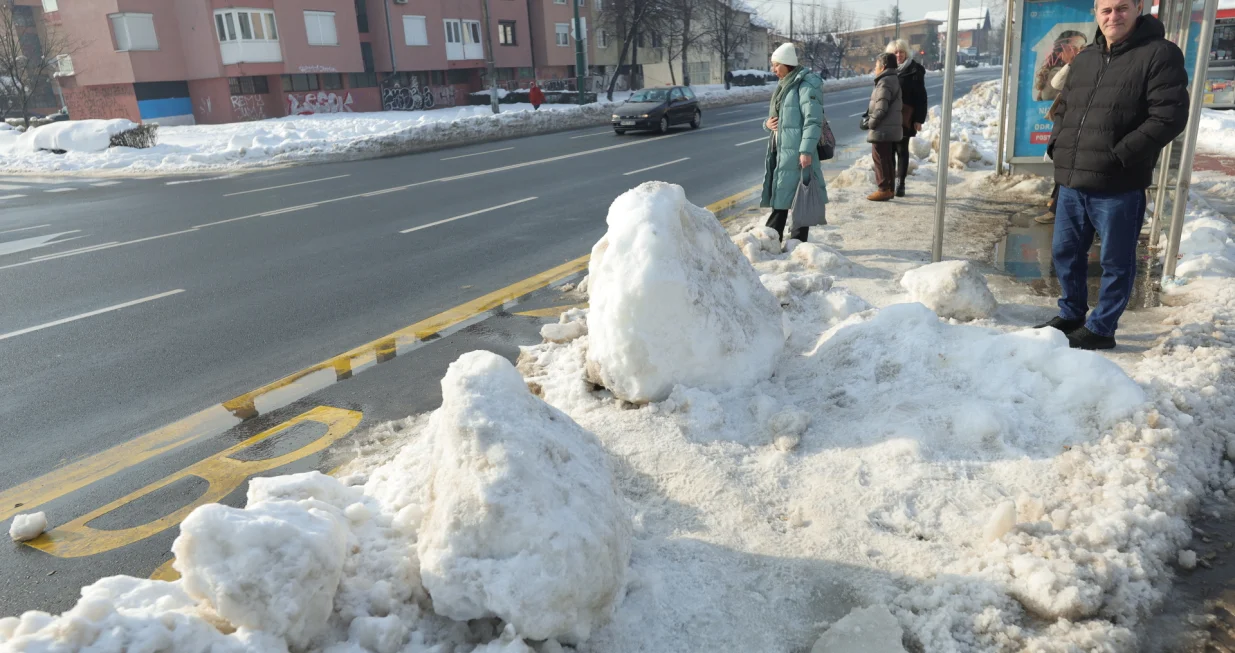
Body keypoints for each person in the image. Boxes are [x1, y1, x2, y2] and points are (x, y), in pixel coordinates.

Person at [1039, 0, 1189, 350]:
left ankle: (1102, 328)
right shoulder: (1087, 58)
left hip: (1118, 183)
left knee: (1115, 262)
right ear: (1096, 13)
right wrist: (1058, 145)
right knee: (1065, 252)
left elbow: (1168, 116)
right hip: (1073, 181)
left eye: (1122, 8)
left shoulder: (1159, 54)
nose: (1113, 16)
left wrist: (1120, 155)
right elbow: (1065, 108)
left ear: (1139, 8)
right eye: (1105, 10)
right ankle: (1072, 312)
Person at [761, 42, 828, 243]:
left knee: (800, 198)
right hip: (782, 150)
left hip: (798, 152)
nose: (773, 70)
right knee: (782, 195)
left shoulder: (806, 86)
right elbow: (779, 118)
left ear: (787, 64)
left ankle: (792, 242)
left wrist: (806, 151)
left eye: (776, 65)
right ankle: (779, 239)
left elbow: (813, 120)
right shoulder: (785, 85)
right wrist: (767, 124)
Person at [887, 39, 928, 197]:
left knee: (902, 149)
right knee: (889, 150)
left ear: (906, 52)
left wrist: (919, 119)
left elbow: (921, 97)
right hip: (888, 117)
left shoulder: (914, 70)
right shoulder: (886, 69)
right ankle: (890, 182)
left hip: (905, 116)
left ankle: (900, 183)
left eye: (901, 52)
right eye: (895, 52)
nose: (899, 55)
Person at [1035, 62, 1073, 225]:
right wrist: (1073, 63)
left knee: (1070, 167)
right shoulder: (1084, 61)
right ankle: (1056, 204)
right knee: (1064, 164)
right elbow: (1057, 83)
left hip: (1080, 125)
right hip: (1068, 120)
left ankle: (1056, 209)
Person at [863, 52, 903, 202]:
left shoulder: (885, 82)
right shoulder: (892, 79)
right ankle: (889, 188)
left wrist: (870, 123)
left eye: (876, 65)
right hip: (888, 127)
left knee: (880, 158)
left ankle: (884, 189)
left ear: (883, 66)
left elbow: (880, 108)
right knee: (886, 158)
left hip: (883, 128)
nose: (875, 68)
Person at [1035, 31, 1088, 102]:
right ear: (1059, 53)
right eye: (1072, 48)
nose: (1079, 52)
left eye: (1082, 48)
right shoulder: (1056, 73)